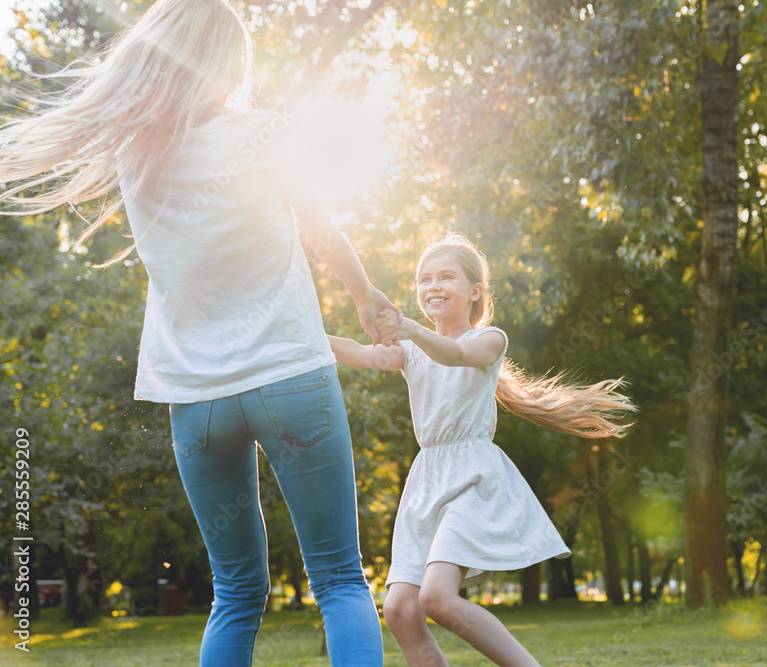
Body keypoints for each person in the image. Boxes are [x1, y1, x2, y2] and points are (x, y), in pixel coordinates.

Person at [0, 1, 392, 664]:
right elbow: (325, 232)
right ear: (226, 63)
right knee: (340, 579)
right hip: (291, 375)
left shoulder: (133, 156)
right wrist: (366, 295)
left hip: (196, 401)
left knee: (236, 591)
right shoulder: (265, 132)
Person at [328, 234, 635, 666]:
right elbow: (362, 353)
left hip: (471, 477)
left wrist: (410, 328)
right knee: (399, 609)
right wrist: (305, 336)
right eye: (425, 278)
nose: (433, 286)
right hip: (427, 480)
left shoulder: (490, 339)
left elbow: (454, 355)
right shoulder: (411, 351)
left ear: (475, 291)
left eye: (446, 277)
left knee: (437, 598)